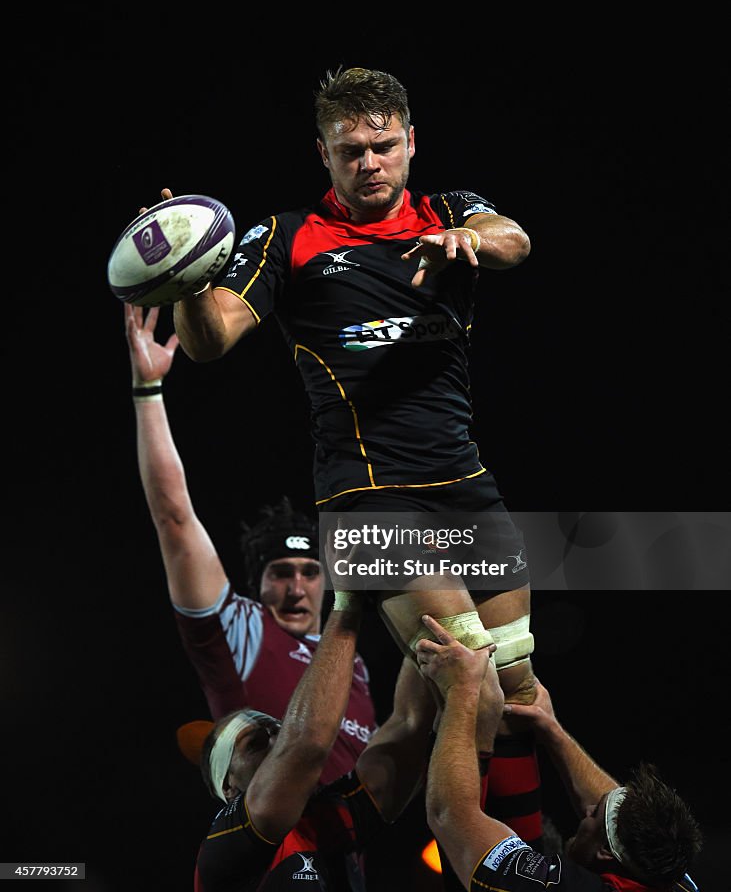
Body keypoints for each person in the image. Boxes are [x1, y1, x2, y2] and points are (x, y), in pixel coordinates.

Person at [154, 65, 541, 839]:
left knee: (522, 694)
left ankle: (544, 845)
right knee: (477, 683)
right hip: (369, 494)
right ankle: (479, 861)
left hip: (466, 483)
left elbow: (514, 240)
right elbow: (214, 338)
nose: (368, 163)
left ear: (409, 143)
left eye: (382, 146)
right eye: (349, 151)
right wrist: (189, 277)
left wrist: (466, 238)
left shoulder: (450, 209)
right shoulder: (287, 236)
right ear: (323, 155)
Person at [125, 302, 376, 785]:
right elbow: (174, 518)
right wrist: (148, 390)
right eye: (280, 573)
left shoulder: (352, 660)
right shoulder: (241, 628)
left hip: (348, 860)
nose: (297, 587)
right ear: (257, 585)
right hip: (271, 850)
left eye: (310, 571)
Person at [416, 613, 702, 892]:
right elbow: (617, 828)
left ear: (604, 851)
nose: (586, 810)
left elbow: (449, 815)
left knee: (483, 700)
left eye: (594, 815)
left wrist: (462, 688)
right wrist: (553, 730)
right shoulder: (668, 879)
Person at [193, 578, 439, 891]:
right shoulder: (225, 842)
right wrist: (347, 603)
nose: (276, 742)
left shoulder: (325, 819)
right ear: (229, 787)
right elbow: (305, 744)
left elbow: (409, 724)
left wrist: (434, 616)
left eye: (279, 732)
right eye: (253, 744)